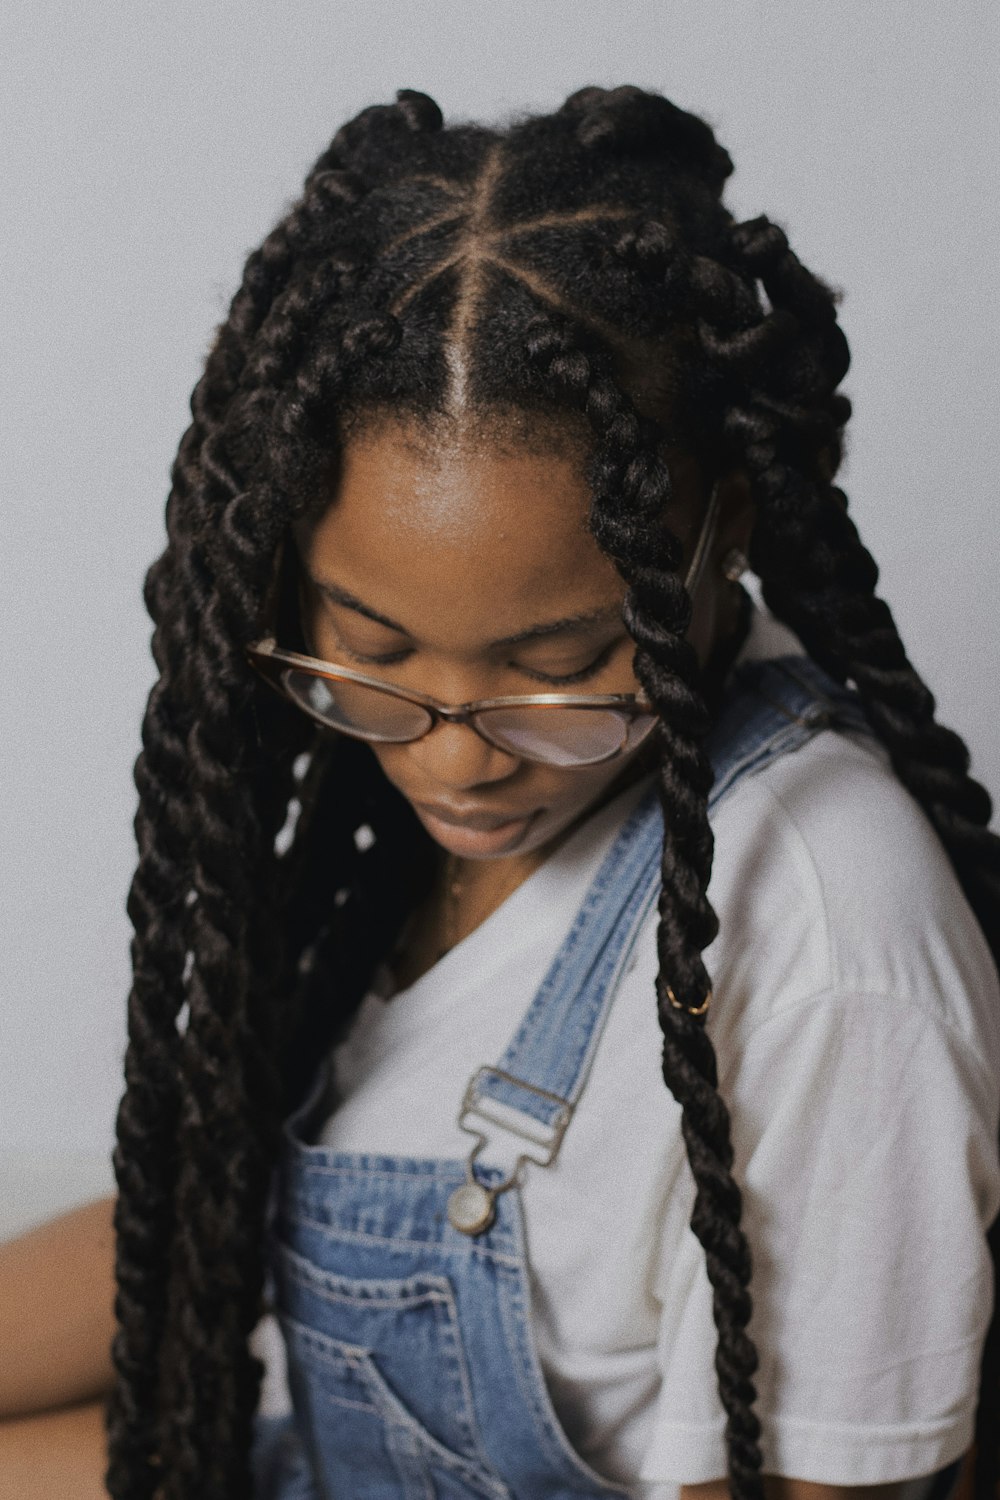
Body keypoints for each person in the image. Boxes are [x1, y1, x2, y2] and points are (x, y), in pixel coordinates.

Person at [1, 84, 998, 1500]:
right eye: (374, 648)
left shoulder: (832, 944)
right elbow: (219, 1211)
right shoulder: (411, 815)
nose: (457, 757)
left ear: (716, 539)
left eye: (558, 664)